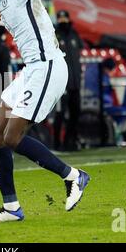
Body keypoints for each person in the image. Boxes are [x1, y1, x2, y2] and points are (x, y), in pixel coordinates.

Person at [0, 0, 118, 222]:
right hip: (31, 70)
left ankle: (72, 176)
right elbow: (11, 20)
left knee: (12, 138)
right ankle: (12, 208)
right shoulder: (0, 2)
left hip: (48, 66)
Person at [53, 10, 84, 151]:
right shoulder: (54, 34)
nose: (63, 20)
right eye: (61, 18)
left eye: (65, 17)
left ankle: (69, 142)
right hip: (61, 82)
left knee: (75, 112)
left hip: (75, 82)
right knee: (60, 114)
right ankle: (56, 143)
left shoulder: (74, 34)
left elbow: (79, 52)